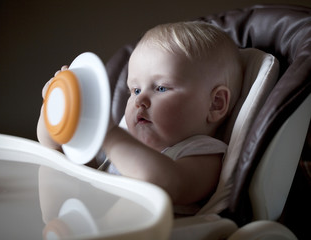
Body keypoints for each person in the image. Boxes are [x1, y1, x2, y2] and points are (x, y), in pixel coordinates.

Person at [37, 21, 243, 215]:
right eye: (134, 90)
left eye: (161, 88)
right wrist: (56, 117)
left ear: (215, 104)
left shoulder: (204, 155)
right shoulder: (123, 139)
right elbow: (83, 178)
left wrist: (109, 135)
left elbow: (160, 183)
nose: (139, 100)